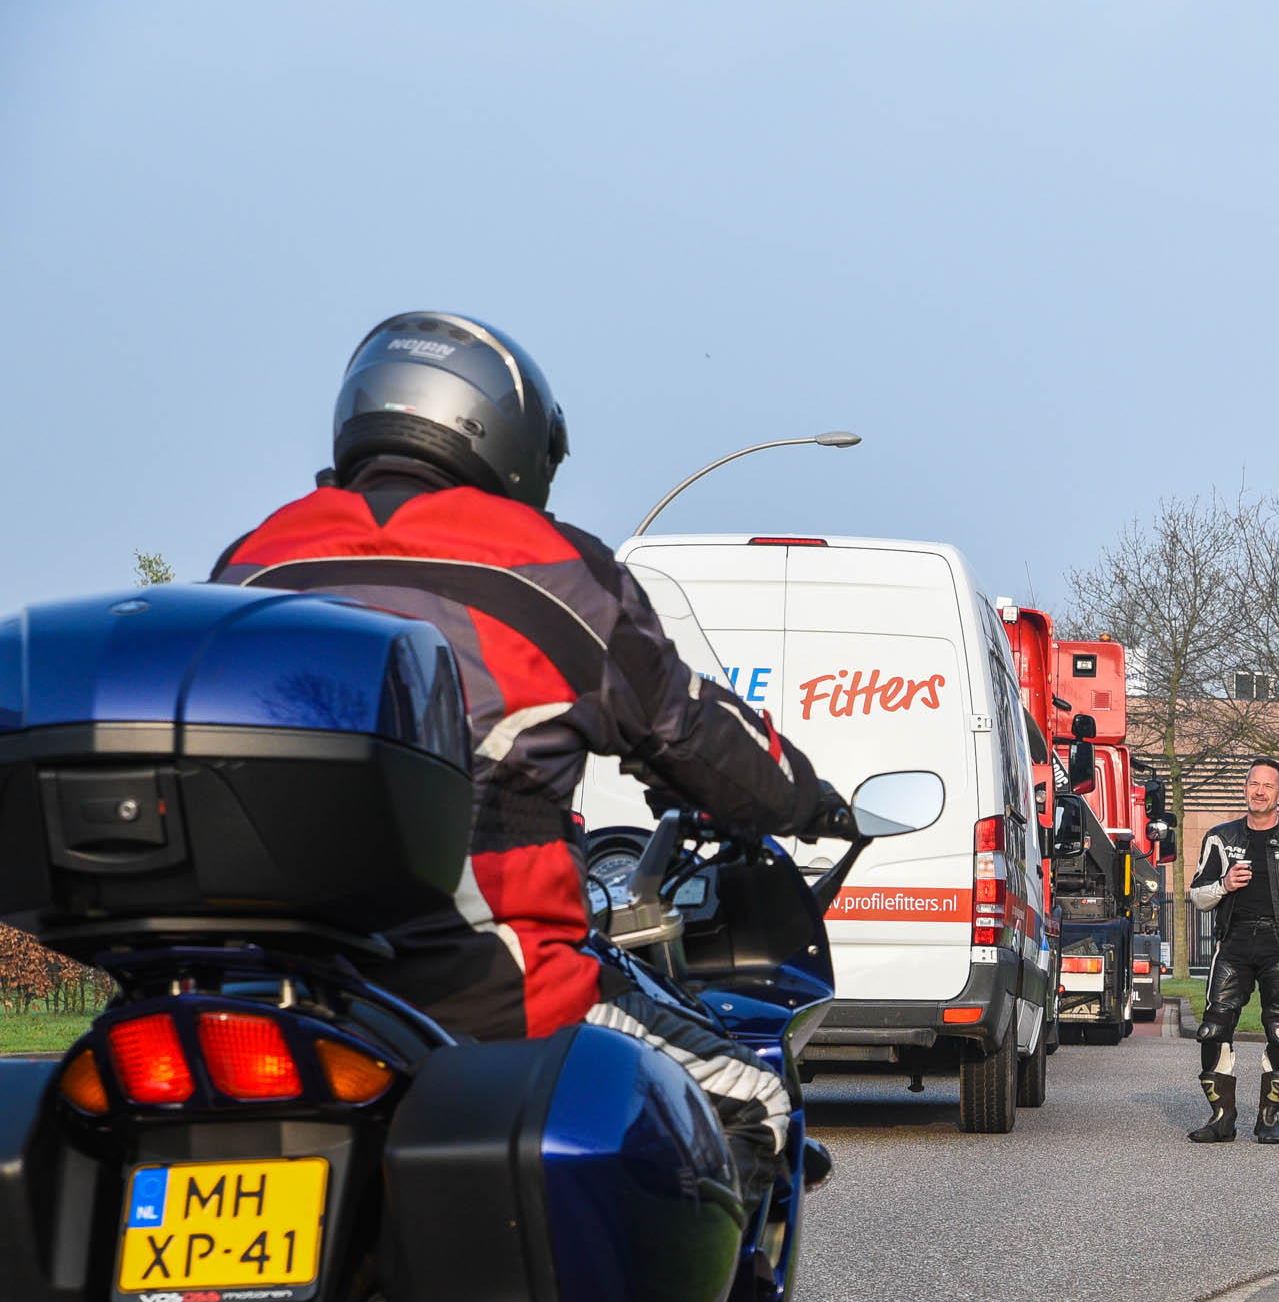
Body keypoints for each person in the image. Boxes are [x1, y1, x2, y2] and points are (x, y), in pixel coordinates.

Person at [211, 310, 850, 1201]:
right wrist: (807, 797)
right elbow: (696, 732)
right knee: (755, 1098)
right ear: (510, 440)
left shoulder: (255, 558)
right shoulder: (548, 568)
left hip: (258, 990)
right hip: (486, 990)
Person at [1182, 758, 1279, 1143]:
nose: (1259, 791)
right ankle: (1221, 1118)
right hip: (1233, 943)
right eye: (1253, 784)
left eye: (1268, 786)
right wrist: (1225, 884)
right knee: (1213, 1028)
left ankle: (1268, 1118)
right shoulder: (1220, 838)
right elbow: (1197, 895)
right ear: (1244, 788)